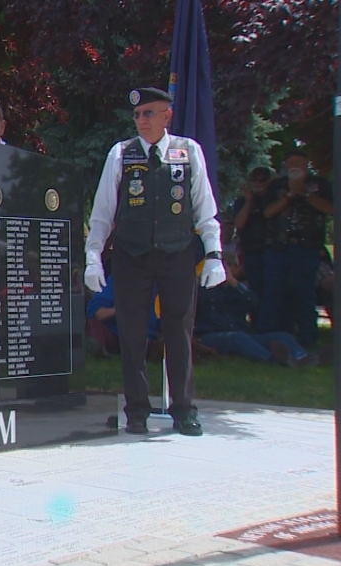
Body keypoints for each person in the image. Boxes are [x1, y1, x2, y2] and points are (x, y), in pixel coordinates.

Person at [84, 87, 224, 436]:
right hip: (132, 254)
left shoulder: (188, 152)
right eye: (137, 115)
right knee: (132, 333)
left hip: (177, 253)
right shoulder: (122, 154)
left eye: (149, 113)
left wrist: (214, 254)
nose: (142, 121)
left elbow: (204, 207)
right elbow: (103, 211)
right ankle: (136, 411)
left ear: (167, 115)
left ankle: (183, 409)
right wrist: (93, 256)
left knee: (179, 330)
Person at [259, 149, 333, 347]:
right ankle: (270, 337)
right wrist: (289, 195)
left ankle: (307, 338)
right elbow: (267, 213)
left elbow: (330, 209)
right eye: (290, 162)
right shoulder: (277, 186)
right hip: (277, 248)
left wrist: (305, 193)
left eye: (298, 162)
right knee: (274, 293)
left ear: (306, 164)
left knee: (305, 293)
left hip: (307, 248)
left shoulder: (320, 184)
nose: (294, 166)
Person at [195, 252, 318, 366]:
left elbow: (253, 303)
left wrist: (235, 285)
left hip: (240, 334)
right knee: (237, 338)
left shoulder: (237, 290)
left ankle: (304, 357)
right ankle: (273, 359)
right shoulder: (201, 290)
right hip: (210, 336)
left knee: (282, 336)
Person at [232, 166, 274, 298]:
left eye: (263, 180)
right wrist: (249, 201)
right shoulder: (242, 201)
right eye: (255, 180)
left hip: (273, 251)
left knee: (273, 292)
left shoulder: (273, 200)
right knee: (255, 292)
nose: (258, 183)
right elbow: (239, 223)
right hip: (252, 252)